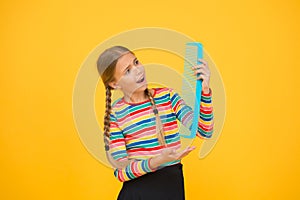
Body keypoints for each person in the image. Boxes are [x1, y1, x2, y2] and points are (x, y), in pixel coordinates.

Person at [97, 46, 214, 200]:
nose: (138, 70)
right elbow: (121, 172)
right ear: (114, 84)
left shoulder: (168, 97)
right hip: (136, 193)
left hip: (171, 189)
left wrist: (205, 91)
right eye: (127, 70)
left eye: (136, 62)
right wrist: (158, 160)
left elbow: (204, 131)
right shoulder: (116, 114)